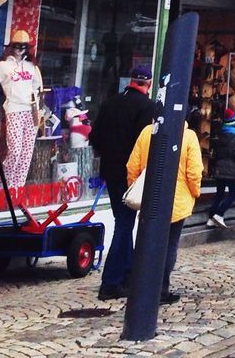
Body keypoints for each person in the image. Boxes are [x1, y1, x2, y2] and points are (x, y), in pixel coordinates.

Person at [89, 63, 157, 300]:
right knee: (125, 225)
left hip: (110, 172)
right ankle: (111, 281)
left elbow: (94, 137)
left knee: (123, 221)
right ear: (147, 84)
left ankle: (127, 274)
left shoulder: (110, 103)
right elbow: (145, 144)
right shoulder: (147, 107)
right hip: (131, 175)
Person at [126, 113, 202, 304]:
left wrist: (136, 187)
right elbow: (194, 172)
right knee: (169, 245)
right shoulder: (188, 136)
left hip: (150, 198)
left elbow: (132, 166)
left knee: (147, 242)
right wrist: (195, 192)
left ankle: (142, 284)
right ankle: (161, 288)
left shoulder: (147, 132)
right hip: (177, 201)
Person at [0, 30, 44, 192]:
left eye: (23, 46)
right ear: (11, 46)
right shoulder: (4, 66)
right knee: (15, 151)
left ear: (27, 48)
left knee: (26, 154)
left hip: (31, 111)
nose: (19, 49)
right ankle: (3, 187)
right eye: (16, 46)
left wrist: (37, 114)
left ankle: (16, 190)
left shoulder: (32, 67)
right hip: (14, 110)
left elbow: (36, 89)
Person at [205, 107, 235, 229]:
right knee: (232, 194)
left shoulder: (220, 136)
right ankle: (219, 214)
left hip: (220, 170)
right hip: (232, 171)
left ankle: (211, 218)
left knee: (219, 194)